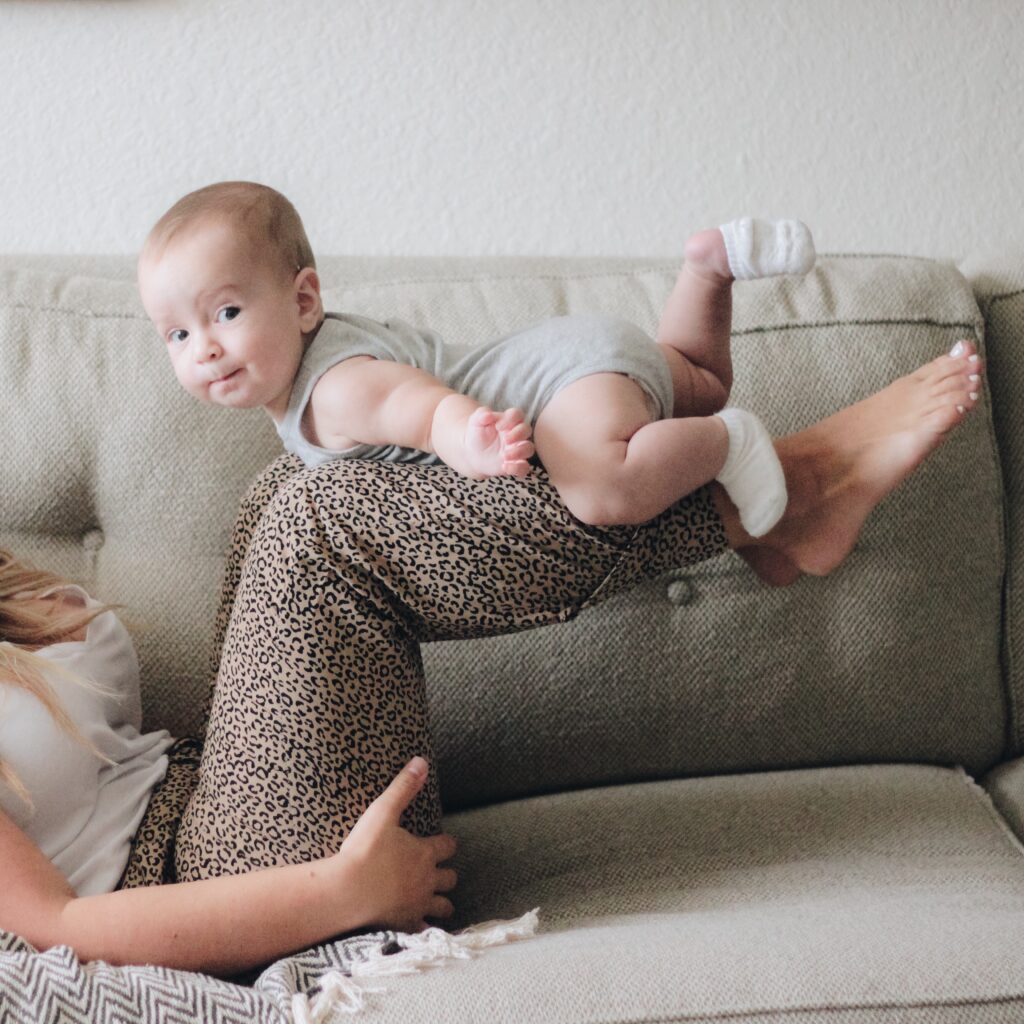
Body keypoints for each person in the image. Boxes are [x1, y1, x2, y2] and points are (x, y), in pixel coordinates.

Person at [0, 328, 984, 975]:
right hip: (228, 895)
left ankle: (770, 512)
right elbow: (59, 932)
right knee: (316, 525)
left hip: (212, 811)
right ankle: (783, 488)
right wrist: (339, 889)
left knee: (281, 499)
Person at [137, 181, 824, 538]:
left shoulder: (334, 390)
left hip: (559, 387)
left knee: (603, 490)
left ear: (304, 300)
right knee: (700, 379)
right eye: (178, 335)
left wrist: (469, 438)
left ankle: (730, 440)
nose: (206, 349)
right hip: (578, 351)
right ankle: (709, 270)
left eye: (226, 313)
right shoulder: (305, 375)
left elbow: (418, 406)